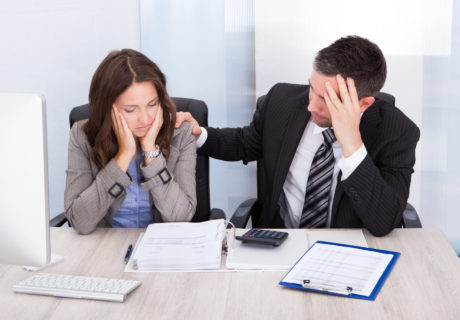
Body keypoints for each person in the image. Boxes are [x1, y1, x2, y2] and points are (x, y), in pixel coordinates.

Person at [175, 36, 420, 237]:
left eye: (326, 100)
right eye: (312, 89)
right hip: (280, 243)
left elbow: (384, 221)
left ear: (364, 104)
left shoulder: (397, 133)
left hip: (348, 250)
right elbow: (244, 143)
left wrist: (352, 145)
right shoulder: (282, 101)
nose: (311, 106)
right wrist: (198, 135)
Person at [65, 49, 197, 235]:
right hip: (104, 246)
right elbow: (80, 222)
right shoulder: (82, 135)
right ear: (107, 108)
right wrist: (123, 156)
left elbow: (181, 218)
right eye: (130, 110)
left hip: (162, 246)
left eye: (152, 105)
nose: (144, 119)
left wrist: (150, 151)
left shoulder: (181, 134)